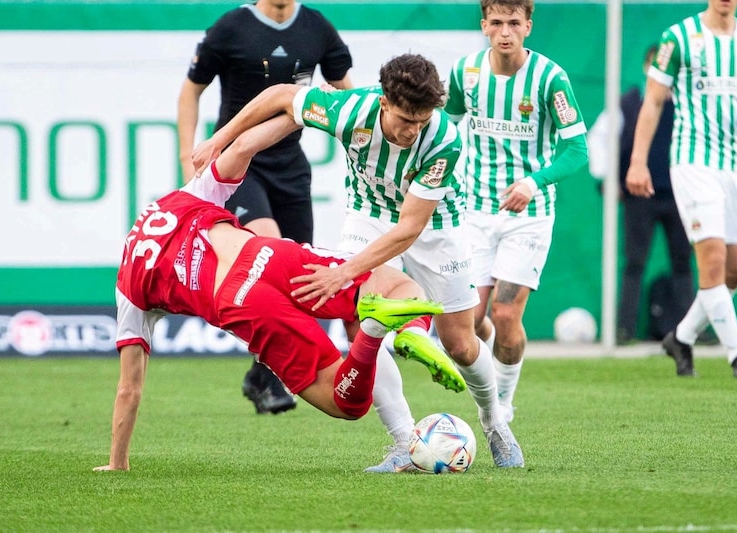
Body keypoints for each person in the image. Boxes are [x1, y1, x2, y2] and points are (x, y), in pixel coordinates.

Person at [192, 53, 525, 471]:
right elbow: (279, 95)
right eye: (406, 119)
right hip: (368, 214)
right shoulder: (349, 109)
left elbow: (409, 228)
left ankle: (495, 422)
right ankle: (405, 442)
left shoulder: (443, 140)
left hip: (435, 226)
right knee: (360, 316)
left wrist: (343, 272)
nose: (413, 130)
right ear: (384, 101)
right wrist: (219, 138)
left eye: (421, 120)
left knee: (459, 343)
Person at [94, 115, 464, 471]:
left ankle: (371, 334)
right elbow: (243, 147)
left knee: (346, 402)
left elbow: (129, 389)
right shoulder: (180, 199)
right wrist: (299, 115)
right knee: (399, 285)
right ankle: (412, 331)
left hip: (242, 303)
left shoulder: (128, 286)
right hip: (269, 256)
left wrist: (118, 461)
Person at [177, 0, 354, 414]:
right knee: (267, 250)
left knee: (296, 278)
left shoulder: (317, 28)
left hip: (292, 167)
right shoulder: (231, 27)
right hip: (240, 164)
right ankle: (271, 378)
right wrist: (188, 154)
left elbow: (347, 92)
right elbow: (191, 91)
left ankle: (262, 374)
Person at [443, 0, 589, 423]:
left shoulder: (550, 79)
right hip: (473, 211)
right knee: (467, 322)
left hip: (529, 215)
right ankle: (488, 364)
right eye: (497, 23)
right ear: (484, 25)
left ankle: (501, 406)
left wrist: (533, 182)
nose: (505, 31)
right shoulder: (465, 73)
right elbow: (445, 127)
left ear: (528, 25)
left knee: (506, 314)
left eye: (514, 23)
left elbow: (577, 149)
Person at [625, 0, 737, 377]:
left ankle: (681, 337)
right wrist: (638, 161)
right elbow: (653, 102)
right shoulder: (678, 37)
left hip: (736, 167)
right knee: (710, 261)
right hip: (693, 163)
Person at [587, 45, 693, 345]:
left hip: (679, 196)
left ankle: (692, 332)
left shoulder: (688, 106)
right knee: (634, 262)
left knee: (683, 263)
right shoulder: (629, 103)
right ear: (647, 67)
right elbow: (599, 138)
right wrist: (607, 177)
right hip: (639, 198)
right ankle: (623, 329)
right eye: (654, 64)